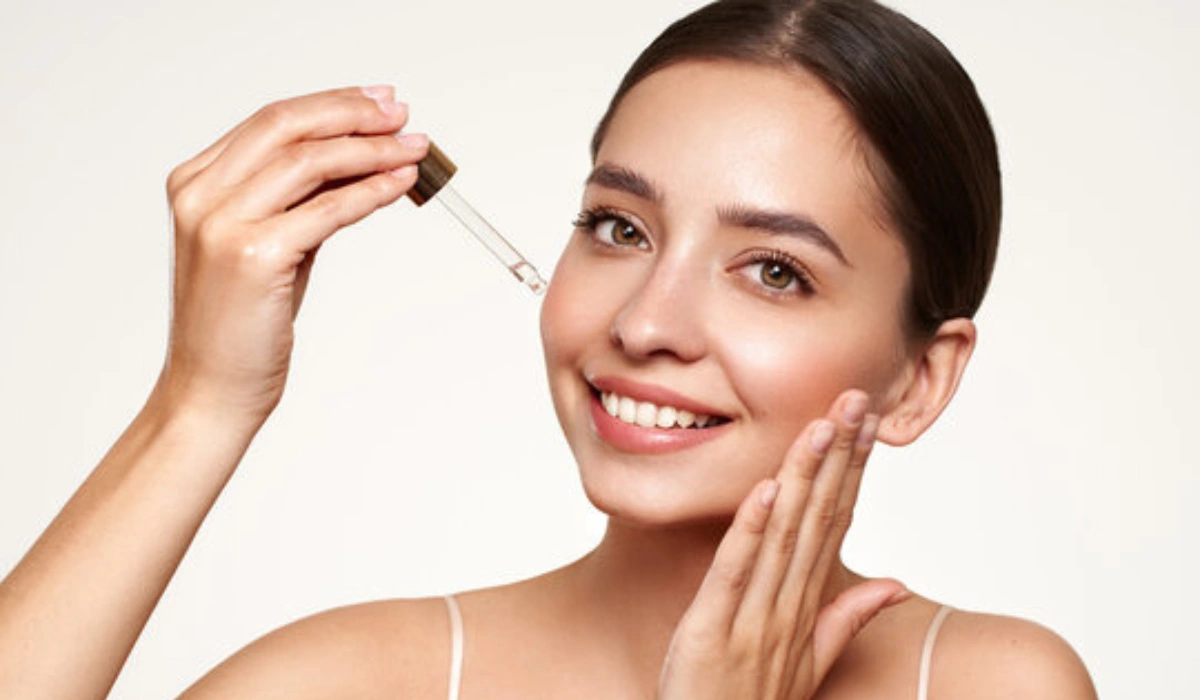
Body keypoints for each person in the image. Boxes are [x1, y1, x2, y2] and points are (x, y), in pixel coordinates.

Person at [0, 0, 1099, 698]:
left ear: (921, 378)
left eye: (774, 269)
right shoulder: (341, 681)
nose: (644, 322)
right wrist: (198, 403)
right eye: (619, 229)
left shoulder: (990, 682)